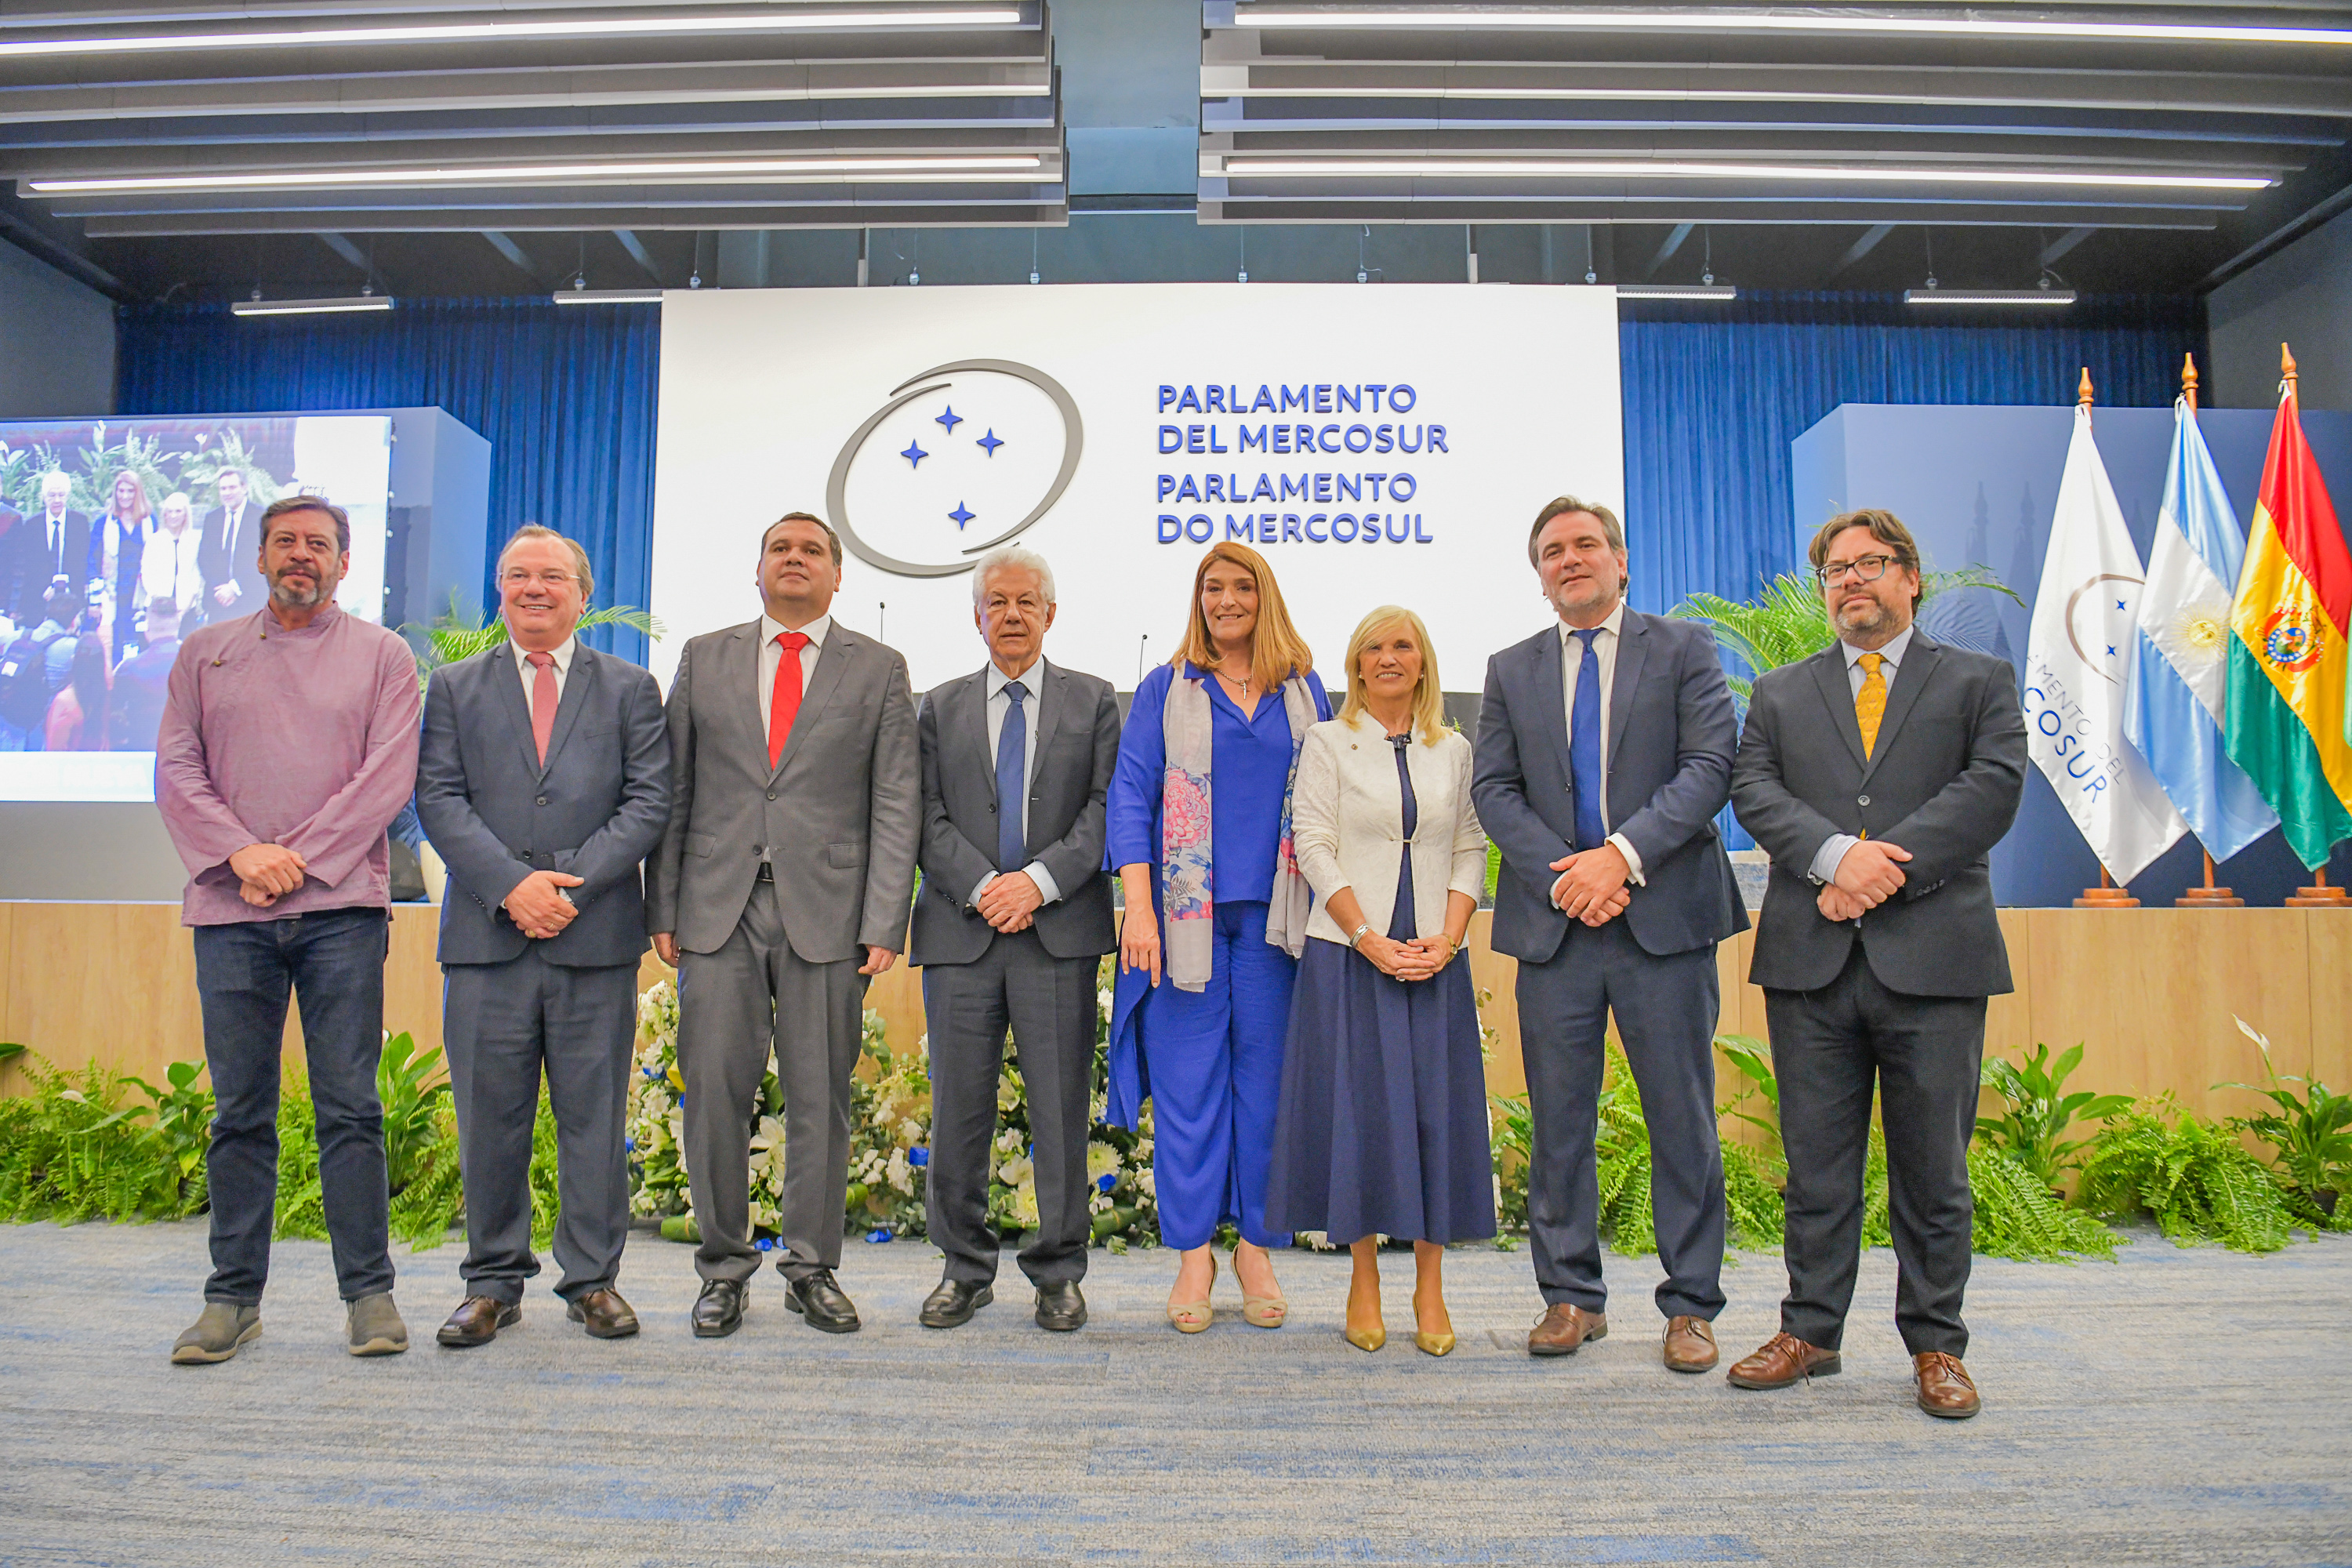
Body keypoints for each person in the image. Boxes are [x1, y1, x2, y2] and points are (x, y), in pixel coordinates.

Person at [1726, 508, 2026, 1420]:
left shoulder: (1977, 679)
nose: (1850, 580)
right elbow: (1753, 790)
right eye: (1835, 571)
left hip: (1935, 959)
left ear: (1911, 577)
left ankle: (1938, 1345)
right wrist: (1830, 856)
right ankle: (1810, 1331)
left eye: (1870, 563)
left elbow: (1993, 786)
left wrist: (1877, 867)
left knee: (1934, 1169)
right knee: (1816, 1166)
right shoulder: (1780, 691)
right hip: (1811, 962)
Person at [1472, 495, 1748, 1374]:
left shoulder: (1684, 649)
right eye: (1552, 551)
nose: (1569, 559)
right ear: (1540, 574)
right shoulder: (1511, 668)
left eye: (1585, 544)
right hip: (1557, 925)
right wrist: (1572, 872)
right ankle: (1570, 1296)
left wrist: (1619, 859)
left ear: (1621, 561)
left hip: (1661, 917)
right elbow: (1494, 791)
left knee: (1682, 1115)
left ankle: (1691, 1306)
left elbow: (1710, 766)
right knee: (1558, 1122)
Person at [154, 495, 423, 1364]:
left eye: (317, 544)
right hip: (231, 912)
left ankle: (368, 1295)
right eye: (284, 542)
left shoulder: (383, 655)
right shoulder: (206, 652)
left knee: (351, 1105)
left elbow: (387, 780)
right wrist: (241, 853)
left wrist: (295, 860)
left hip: (340, 912)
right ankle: (231, 1299)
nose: (299, 554)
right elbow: (176, 768)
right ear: (260, 556)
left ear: (345, 562)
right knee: (240, 1111)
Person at [645, 511, 919, 1338]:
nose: (795, 559)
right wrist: (663, 905)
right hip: (716, 908)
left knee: (820, 1098)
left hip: (830, 913)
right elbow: (675, 785)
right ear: (756, 568)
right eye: (780, 548)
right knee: (714, 1098)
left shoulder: (879, 667)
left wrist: (884, 916)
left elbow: (896, 799)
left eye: (812, 551)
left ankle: (813, 1267)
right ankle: (723, 1268)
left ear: (839, 576)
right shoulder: (704, 655)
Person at [414, 525, 671, 1348]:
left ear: (582, 595)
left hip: (591, 938)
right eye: (517, 574)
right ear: (500, 590)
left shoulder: (632, 687)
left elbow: (649, 801)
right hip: (487, 938)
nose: (534, 587)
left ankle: (593, 1279)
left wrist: (569, 879)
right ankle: (492, 1282)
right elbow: (439, 798)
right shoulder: (454, 685)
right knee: (491, 1117)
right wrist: (512, 885)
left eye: (551, 576)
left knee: (593, 1118)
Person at [1106, 541, 1330, 1333]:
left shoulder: (1305, 691)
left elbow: (1334, 798)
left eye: (1241, 587)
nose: (1226, 600)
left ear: (1264, 596)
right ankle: (1195, 1253)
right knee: (1189, 1093)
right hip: (1181, 926)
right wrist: (1138, 906)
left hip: (1282, 925)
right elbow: (1131, 794)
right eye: (1213, 587)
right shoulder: (1167, 688)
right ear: (1197, 599)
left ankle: (1258, 1249)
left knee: (1268, 1094)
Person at [1266, 606, 1491, 1356]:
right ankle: (1362, 1278)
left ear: (1423, 662)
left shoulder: (1453, 750)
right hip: (1347, 953)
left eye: (1403, 647)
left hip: (1433, 955)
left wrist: (1451, 938)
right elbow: (1313, 843)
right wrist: (1366, 937)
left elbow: (1468, 845)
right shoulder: (1327, 741)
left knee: (1434, 1115)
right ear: (1356, 664)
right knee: (1356, 1115)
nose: (1389, 659)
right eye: (1374, 648)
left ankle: (1430, 1283)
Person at [909, 545, 1121, 1334]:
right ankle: (964, 1270)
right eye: (996, 601)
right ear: (976, 615)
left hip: (1056, 933)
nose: (1011, 613)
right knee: (958, 1110)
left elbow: (1104, 808)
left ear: (1051, 614)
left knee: (1060, 1110)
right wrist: (982, 885)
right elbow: (921, 812)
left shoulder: (1094, 699)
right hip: (962, 931)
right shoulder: (938, 704)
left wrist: (1034, 882)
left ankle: (1059, 1271)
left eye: (1027, 600)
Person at [0, 576, 77, 752]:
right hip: (42, 720)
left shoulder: (15, 637)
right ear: (73, 620)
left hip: (8, 715)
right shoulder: (71, 647)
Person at [5, 472, 85, 630]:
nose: (57, 500)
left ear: (68, 495)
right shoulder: (32, 525)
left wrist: (66, 590)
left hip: (72, 596)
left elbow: (82, 562)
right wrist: (44, 589)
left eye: (61, 495)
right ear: (43, 497)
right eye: (52, 495)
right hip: (39, 599)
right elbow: (27, 566)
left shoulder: (80, 522)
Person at [89, 470, 151, 666]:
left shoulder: (149, 521)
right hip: (112, 596)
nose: (125, 496)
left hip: (138, 595)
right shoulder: (103, 522)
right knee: (111, 648)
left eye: (130, 491)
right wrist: (95, 599)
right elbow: (92, 561)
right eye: (120, 491)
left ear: (138, 493)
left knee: (138, 645)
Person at [197, 468, 267, 627]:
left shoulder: (261, 517)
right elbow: (204, 558)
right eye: (223, 488)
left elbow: (266, 558)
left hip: (250, 600)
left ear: (244, 488)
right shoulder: (212, 518)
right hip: (218, 601)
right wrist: (221, 590)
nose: (227, 493)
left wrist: (235, 588)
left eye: (232, 487)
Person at [111, 595, 182, 752]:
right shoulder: (201, 663)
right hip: (188, 755)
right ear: (178, 624)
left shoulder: (128, 669)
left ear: (146, 628)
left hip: (141, 755)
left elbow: (113, 714)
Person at [140, 492, 205, 627]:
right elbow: (146, 574)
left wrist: (183, 610)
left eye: (178, 511)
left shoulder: (194, 540)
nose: (173, 516)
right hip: (158, 608)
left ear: (186, 514)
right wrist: (161, 603)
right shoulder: (154, 540)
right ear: (165, 514)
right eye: (169, 511)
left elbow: (196, 576)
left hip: (186, 609)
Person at [42, 632, 111, 751]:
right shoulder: (108, 692)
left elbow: (54, 752)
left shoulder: (64, 702)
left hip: (72, 767)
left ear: (74, 660)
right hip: (100, 765)